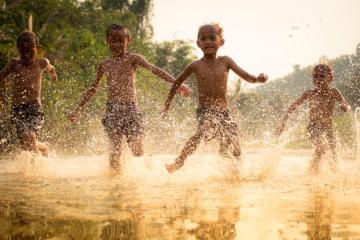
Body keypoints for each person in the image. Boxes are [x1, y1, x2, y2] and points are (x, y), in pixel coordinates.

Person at [69, 24, 191, 171]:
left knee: (137, 151)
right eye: (113, 40)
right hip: (112, 110)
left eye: (121, 40)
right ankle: (116, 184)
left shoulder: (133, 59)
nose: (117, 44)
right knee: (115, 152)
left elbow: (154, 70)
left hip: (131, 109)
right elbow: (93, 89)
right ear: (107, 41)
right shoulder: (105, 65)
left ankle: (145, 177)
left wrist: (176, 84)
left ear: (128, 40)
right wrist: (78, 109)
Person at [162, 23, 268, 173]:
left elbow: (246, 76)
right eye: (203, 39)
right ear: (198, 44)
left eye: (212, 38)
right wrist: (167, 105)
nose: (208, 42)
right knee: (201, 132)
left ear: (221, 42)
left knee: (235, 146)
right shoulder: (195, 66)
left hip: (224, 113)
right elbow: (176, 83)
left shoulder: (226, 62)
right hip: (205, 111)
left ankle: (237, 173)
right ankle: (179, 161)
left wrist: (258, 78)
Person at [277, 64, 351, 173]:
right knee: (321, 147)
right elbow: (293, 106)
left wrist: (345, 107)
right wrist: (283, 122)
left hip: (328, 128)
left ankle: (324, 172)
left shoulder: (333, 92)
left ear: (330, 78)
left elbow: (346, 104)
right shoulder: (310, 93)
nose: (318, 79)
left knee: (333, 153)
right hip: (313, 127)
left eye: (321, 76)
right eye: (315, 77)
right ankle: (312, 172)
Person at [0, 30, 57, 156]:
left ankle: (34, 170)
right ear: (18, 48)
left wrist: (53, 73)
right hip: (17, 108)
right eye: (22, 50)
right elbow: (1, 77)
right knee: (27, 142)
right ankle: (44, 147)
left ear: (36, 48)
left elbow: (50, 67)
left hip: (34, 107)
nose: (26, 53)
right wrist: (2, 98)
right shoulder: (14, 64)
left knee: (29, 136)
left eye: (29, 50)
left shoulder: (41, 62)